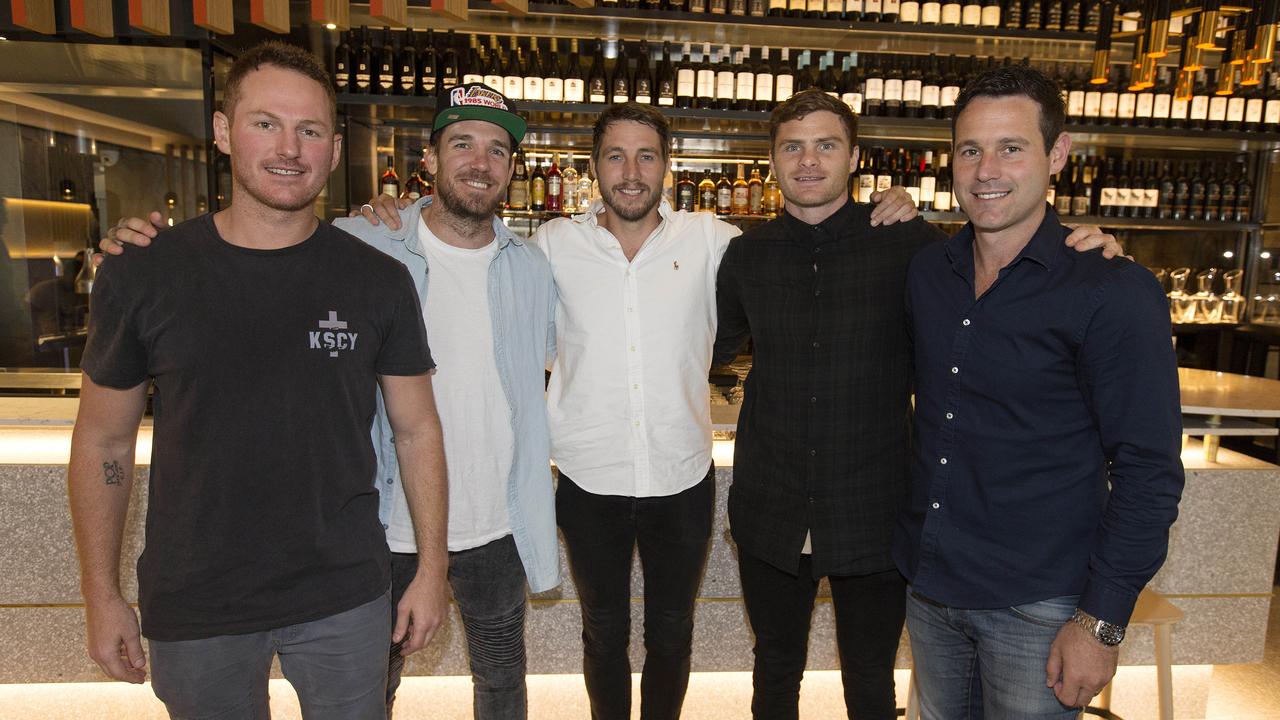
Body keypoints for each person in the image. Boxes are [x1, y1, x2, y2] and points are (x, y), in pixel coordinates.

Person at [350, 102, 918, 720]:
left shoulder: (716, 241)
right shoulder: (551, 245)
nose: (631, 171)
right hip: (588, 478)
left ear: (667, 169)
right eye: (615, 156)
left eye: (646, 156)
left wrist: (895, 204)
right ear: (594, 168)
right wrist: (396, 214)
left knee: (673, 631)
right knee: (602, 631)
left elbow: (779, 278)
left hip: (682, 476)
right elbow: (482, 272)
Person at [100, 82, 559, 720]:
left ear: (513, 170)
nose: (480, 163)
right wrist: (127, 248)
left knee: (503, 681)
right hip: (382, 522)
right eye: (462, 143)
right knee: (380, 689)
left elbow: (537, 374)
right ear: (428, 160)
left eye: (497, 151)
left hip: (496, 521)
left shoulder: (531, 266)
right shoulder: (372, 244)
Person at [712, 88, 1124, 720]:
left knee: (872, 684)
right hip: (771, 505)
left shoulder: (913, 247)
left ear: (854, 158)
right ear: (770, 160)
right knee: (772, 676)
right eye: (791, 147)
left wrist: (1087, 248)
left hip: (876, 508)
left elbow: (1003, 256)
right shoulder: (744, 255)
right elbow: (717, 347)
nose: (809, 161)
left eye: (827, 145)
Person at [68, 41, 448, 720]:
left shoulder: (379, 282)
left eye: (309, 131)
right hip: (198, 598)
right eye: (265, 123)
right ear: (222, 131)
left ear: (333, 151)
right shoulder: (144, 273)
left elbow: (417, 430)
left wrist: (431, 570)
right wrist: (101, 596)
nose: (289, 148)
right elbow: (103, 444)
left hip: (345, 594)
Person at [893, 64, 1184, 719]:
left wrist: (1100, 622)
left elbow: (1148, 471)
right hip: (933, 585)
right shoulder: (927, 273)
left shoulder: (1111, 291)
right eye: (970, 150)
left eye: (1011, 148)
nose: (986, 169)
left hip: (1041, 605)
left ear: (1057, 155)